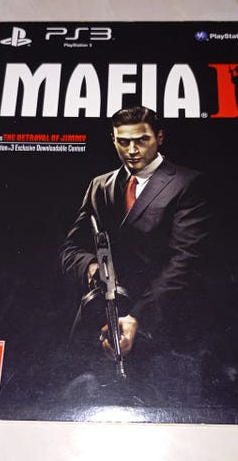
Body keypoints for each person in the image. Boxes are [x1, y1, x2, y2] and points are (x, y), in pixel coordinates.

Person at [60, 106, 211, 381]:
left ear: (159, 137)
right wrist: (93, 267)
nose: (132, 150)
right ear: (113, 140)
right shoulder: (99, 186)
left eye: (142, 140)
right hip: (96, 321)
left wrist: (139, 316)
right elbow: (71, 249)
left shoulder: (187, 183)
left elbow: (185, 261)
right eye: (123, 141)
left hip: (159, 326)